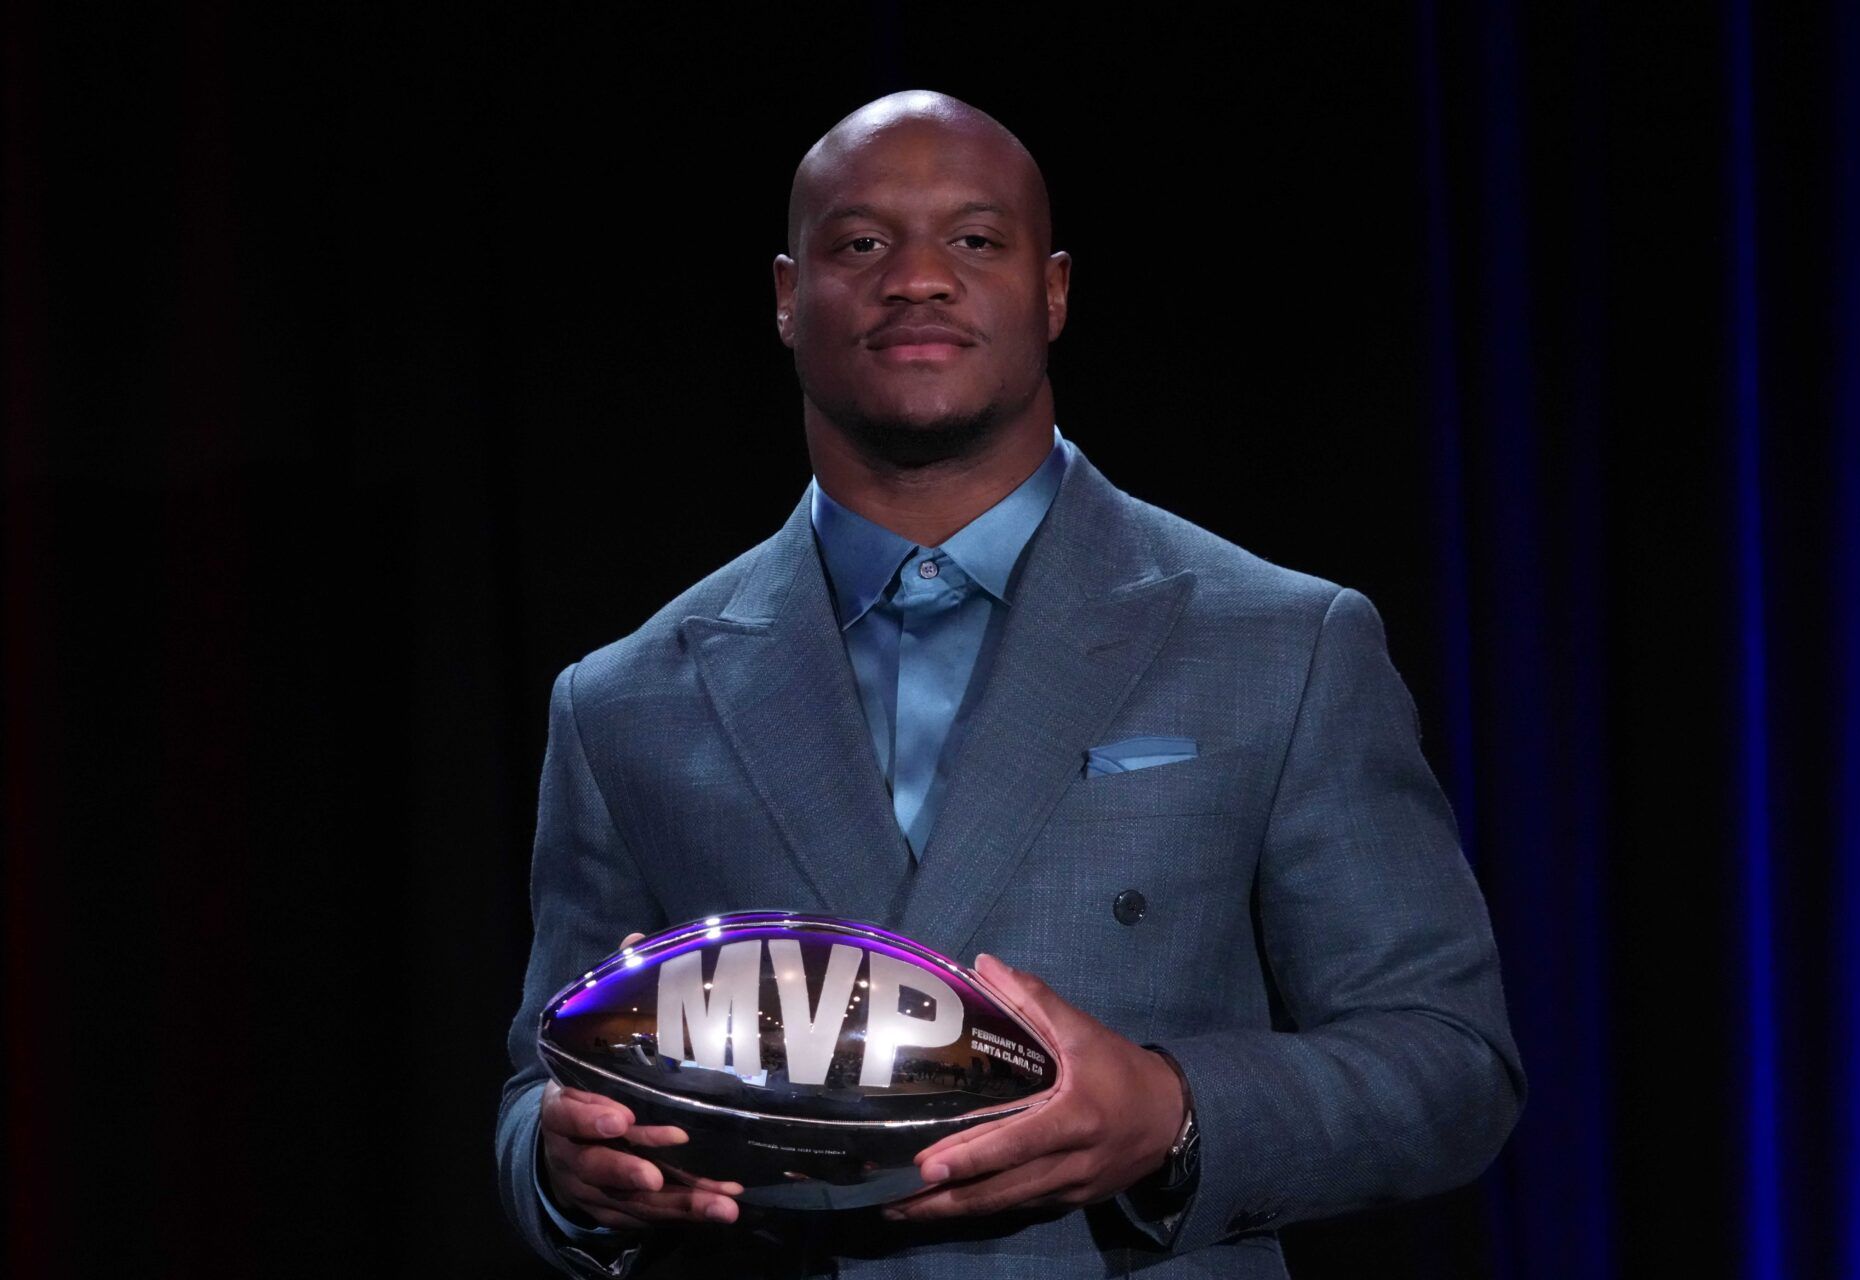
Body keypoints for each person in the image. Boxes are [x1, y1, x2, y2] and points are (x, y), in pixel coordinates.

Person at [495, 90, 1524, 1279]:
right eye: (861, 243)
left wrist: (1171, 1108)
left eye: (975, 241)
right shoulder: (626, 698)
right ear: (788, 296)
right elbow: (545, 1080)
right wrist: (566, 1172)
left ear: (1054, 291)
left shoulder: (1282, 642)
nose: (917, 277)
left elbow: (1452, 1062)